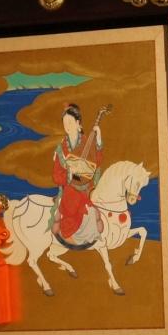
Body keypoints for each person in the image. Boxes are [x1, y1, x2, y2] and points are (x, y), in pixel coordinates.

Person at [51, 103, 104, 245]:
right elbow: (56, 175)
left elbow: (97, 162)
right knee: (72, 205)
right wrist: (70, 174)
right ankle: (70, 236)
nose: (67, 126)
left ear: (78, 123)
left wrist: (98, 138)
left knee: (94, 207)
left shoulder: (87, 141)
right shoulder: (61, 148)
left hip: (86, 187)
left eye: (70, 122)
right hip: (69, 187)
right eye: (64, 123)